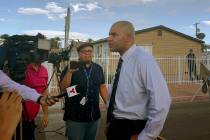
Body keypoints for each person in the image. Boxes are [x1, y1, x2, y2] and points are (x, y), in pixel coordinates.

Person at [106, 21, 171, 140]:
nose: (109, 38)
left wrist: (146, 136)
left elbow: (161, 102)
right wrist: (110, 122)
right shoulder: (124, 61)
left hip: (133, 129)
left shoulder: (144, 60)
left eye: (114, 35)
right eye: (109, 34)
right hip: (116, 125)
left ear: (129, 37)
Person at [60, 43, 108, 140]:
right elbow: (63, 89)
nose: (87, 53)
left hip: (94, 115)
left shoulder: (98, 68)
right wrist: (69, 73)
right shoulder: (72, 67)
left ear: (92, 53)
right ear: (78, 54)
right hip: (75, 116)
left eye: (89, 51)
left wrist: (108, 103)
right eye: (84, 51)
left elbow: (102, 86)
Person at [22, 52, 49, 140]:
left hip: (32, 116)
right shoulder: (22, 68)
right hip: (20, 117)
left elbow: (44, 93)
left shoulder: (44, 69)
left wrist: (46, 114)